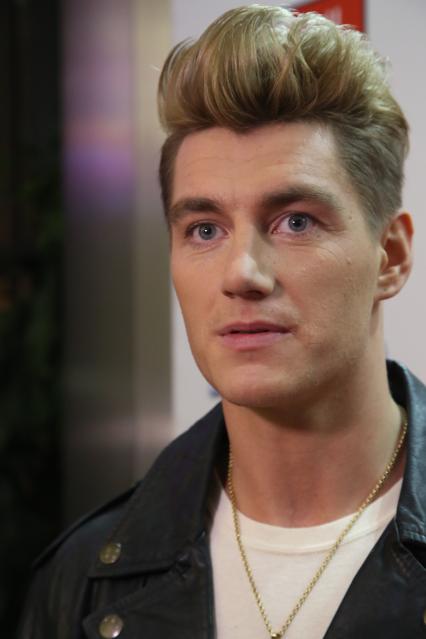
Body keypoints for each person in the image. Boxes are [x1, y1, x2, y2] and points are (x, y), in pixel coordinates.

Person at [18, 5, 426, 638]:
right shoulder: (83, 580)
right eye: (205, 230)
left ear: (390, 257)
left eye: (295, 221)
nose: (242, 273)